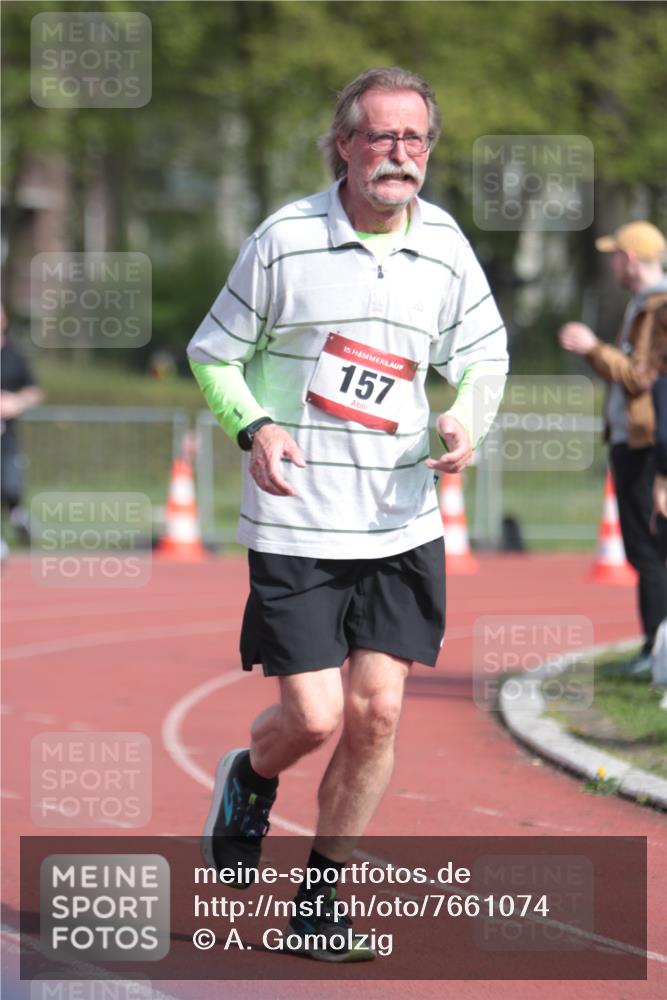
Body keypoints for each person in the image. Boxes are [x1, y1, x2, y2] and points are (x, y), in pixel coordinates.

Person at [188, 66, 508, 962]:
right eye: (381, 137)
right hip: (297, 521)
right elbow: (212, 354)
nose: (399, 155)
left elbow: (484, 357)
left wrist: (464, 418)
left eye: (415, 139)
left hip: (400, 518)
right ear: (344, 145)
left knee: (376, 715)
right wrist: (254, 426)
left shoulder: (444, 247)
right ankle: (251, 774)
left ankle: (319, 904)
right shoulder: (283, 241)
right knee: (316, 718)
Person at [559, 221, 667, 675]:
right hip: (633, 441)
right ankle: (652, 650)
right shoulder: (641, 304)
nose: (612, 264)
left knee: (650, 551)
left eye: (616, 255)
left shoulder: (658, 307)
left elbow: (641, 377)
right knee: (645, 551)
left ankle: (656, 653)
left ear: (631, 259)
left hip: (647, 444)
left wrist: (593, 348)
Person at [1, 304, 44, 555]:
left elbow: (35, 390)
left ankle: (18, 517)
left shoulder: (14, 356)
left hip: (7, 436)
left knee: (10, 487)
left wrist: (16, 402)